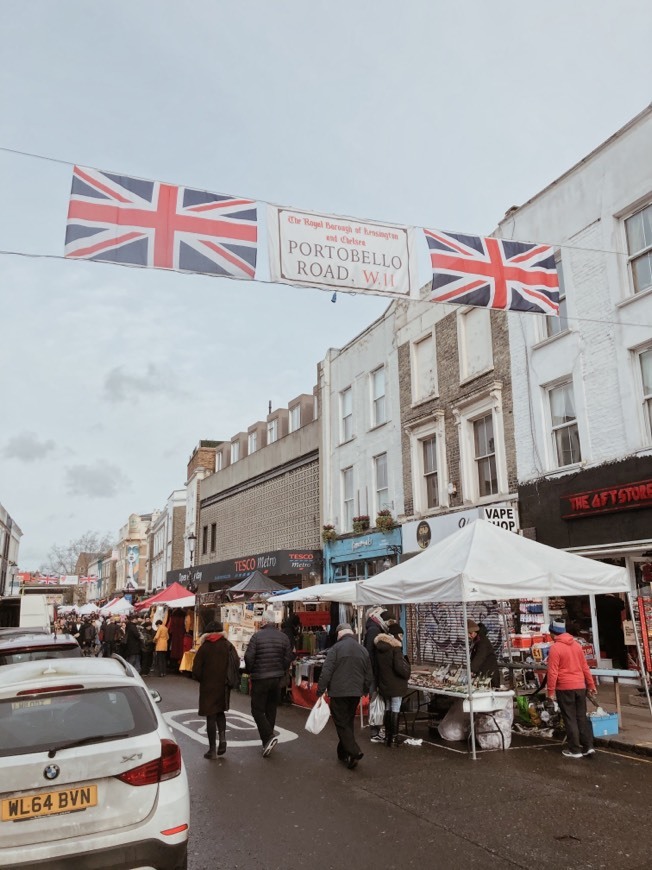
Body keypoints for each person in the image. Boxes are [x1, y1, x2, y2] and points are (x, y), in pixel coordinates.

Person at [317, 623, 373, 770]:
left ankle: (354, 751)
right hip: (355, 692)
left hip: (338, 692)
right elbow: (368, 673)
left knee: (341, 722)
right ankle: (343, 753)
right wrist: (365, 689)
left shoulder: (335, 649)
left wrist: (320, 689)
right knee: (347, 721)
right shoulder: (362, 649)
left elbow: (326, 671)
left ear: (339, 634)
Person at [244, 610, 294, 757]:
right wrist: (281, 669)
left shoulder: (256, 637)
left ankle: (268, 737)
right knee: (271, 708)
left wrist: (250, 670)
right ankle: (268, 740)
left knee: (257, 710)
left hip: (260, 678)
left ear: (264, 621)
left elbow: (249, 657)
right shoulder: (284, 637)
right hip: (277, 678)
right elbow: (288, 657)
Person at [546, 619, 597, 759]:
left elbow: (552, 672)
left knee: (570, 718)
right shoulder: (576, 645)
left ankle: (575, 749)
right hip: (580, 686)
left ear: (553, 633)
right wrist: (591, 685)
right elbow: (585, 667)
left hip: (565, 687)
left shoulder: (555, 648)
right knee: (581, 717)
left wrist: (550, 692)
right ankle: (588, 746)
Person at [192, 620, 241, 760]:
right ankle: (223, 739)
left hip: (208, 686)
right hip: (224, 685)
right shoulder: (228, 645)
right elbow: (236, 663)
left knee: (210, 716)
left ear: (207, 634)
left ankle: (212, 749)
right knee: (220, 713)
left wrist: (202, 679)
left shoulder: (204, 648)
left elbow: (196, 670)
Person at [374, 623, 411, 747]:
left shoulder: (379, 648)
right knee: (395, 708)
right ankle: (394, 739)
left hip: (385, 684)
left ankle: (388, 736)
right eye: (400, 635)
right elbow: (400, 668)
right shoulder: (395, 649)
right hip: (396, 685)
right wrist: (408, 671)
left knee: (388, 707)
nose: (401, 637)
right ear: (395, 636)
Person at [363, 607, 391, 743]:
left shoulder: (373, 628)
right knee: (375, 701)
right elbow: (370, 654)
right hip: (375, 672)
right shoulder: (374, 630)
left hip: (374, 672)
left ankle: (377, 729)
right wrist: (374, 673)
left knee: (376, 701)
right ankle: (375, 731)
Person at [596, 594, 628, 669]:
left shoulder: (599, 602)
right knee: (620, 647)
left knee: (608, 647)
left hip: (604, 629)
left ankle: (609, 666)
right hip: (616, 628)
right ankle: (623, 665)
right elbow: (623, 615)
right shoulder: (618, 602)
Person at [467, 619, 500, 688]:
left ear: (475, 632)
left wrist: (472, 669)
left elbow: (480, 656)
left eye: (470, 633)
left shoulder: (482, 641)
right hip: (484, 673)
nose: (469, 636)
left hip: (489, 674)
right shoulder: (477, 640)